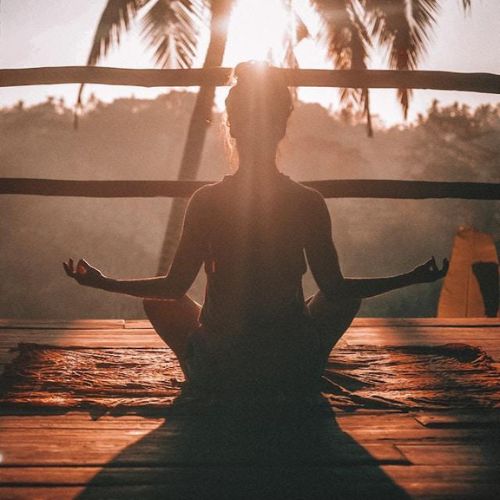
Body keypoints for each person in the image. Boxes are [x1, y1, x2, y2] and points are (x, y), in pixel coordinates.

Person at [63, 61, 448, 397]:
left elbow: (173, 288)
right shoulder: (307, 201)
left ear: (232, 128)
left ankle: (200, 371)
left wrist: (104, 282)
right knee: (343, 297)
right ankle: (307, 363)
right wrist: (410, 277)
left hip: (221, 368)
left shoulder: (207, 200)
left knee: (159, 302)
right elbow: (336, 289)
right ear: (281, 128)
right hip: (291, 366)